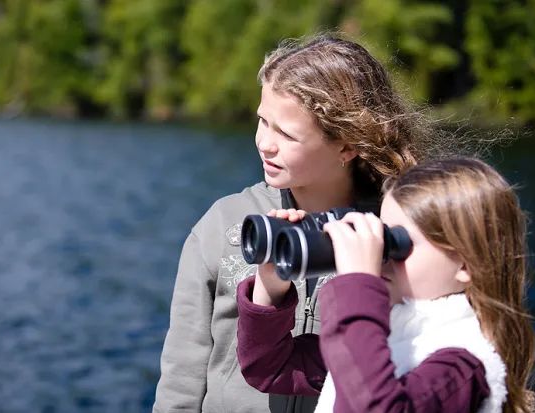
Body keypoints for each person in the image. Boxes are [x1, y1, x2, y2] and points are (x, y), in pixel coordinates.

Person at [153, 33, 433, 413]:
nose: (265, 143)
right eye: (262, 121)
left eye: (286, 133)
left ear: (348, 146)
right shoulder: (224, 224)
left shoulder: (393, 233)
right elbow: (182, 372)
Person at [236, 157, 535, 412]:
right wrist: (271, 283)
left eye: (399, 243)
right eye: (382, 234)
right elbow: (271, 368)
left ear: (465, 265)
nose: (381, 253)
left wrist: (358, 285)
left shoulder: (465, 367)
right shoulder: (388, 330)